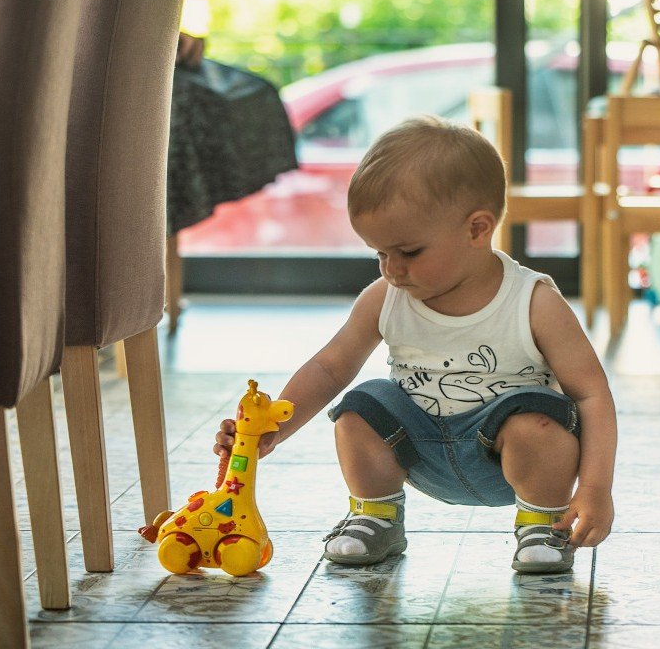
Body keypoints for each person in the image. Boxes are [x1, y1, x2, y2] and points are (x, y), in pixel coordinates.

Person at [214, 115, 617, 574]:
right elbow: (330, 367)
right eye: (380, 253)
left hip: (509, 453)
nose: (392, 269)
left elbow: (591, 394)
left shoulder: (534, 302)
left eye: (409, 252)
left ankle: (543, 525)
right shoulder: (385, 298)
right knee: (359, 408)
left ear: (477, 230)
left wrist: (596, 487)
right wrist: (273, 428)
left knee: (536, 418)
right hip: (420, 448)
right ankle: (376, 516)